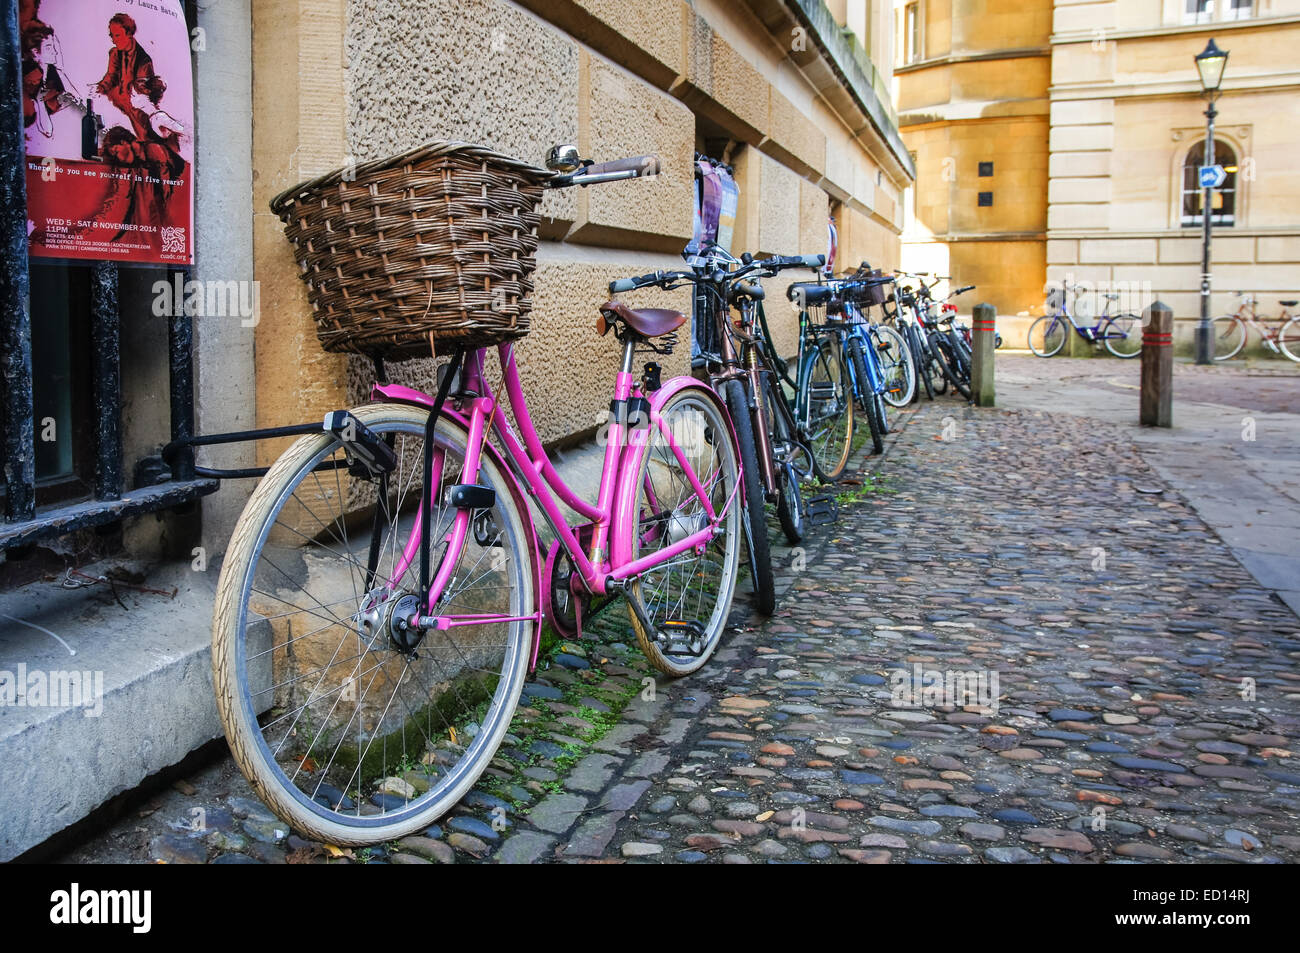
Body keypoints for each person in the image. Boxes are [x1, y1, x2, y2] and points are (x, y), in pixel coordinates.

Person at [94, 13, 155, 121]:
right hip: (118, 107)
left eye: (117, 35)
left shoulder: (144, 61)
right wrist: (98, 89)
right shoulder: (115, 53)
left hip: (136, 113)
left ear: (129, 34)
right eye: (112, 36)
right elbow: (110, 77)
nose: (113, 40)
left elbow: (143, 97)